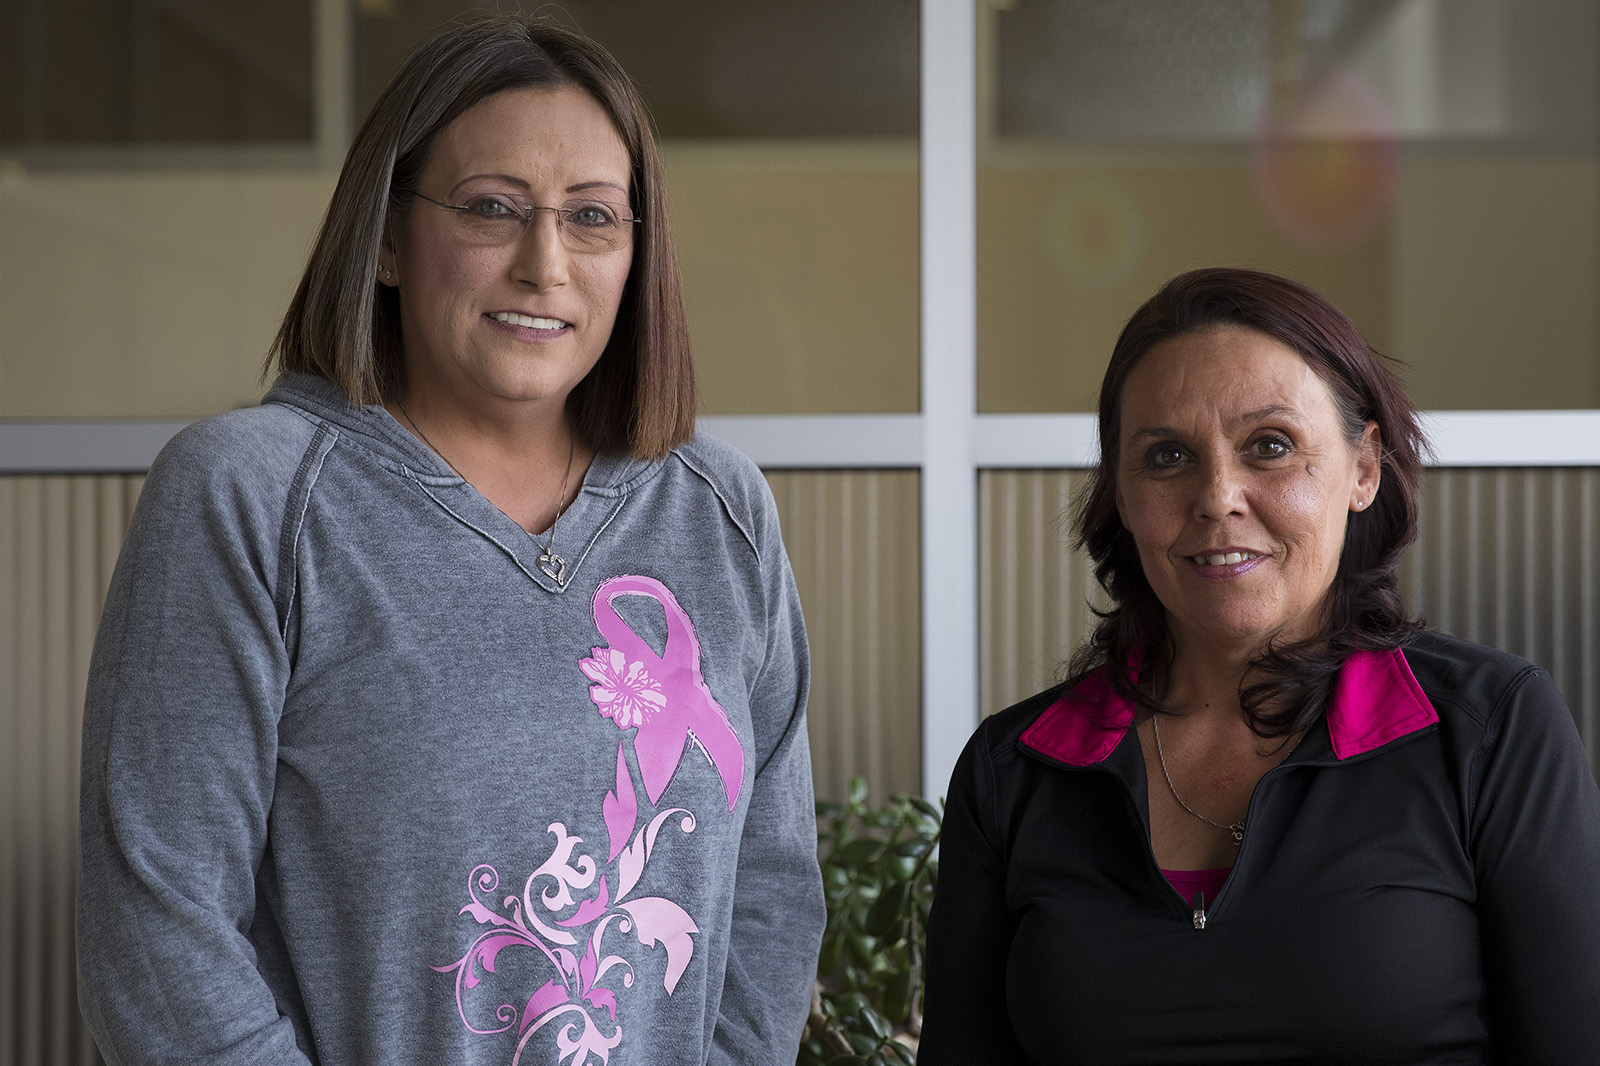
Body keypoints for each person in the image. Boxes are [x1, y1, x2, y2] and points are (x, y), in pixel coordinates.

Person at [76, 15, 824, 1066]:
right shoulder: (249, 496)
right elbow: (157, 937)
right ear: (385, 236)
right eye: (491, 209)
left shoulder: (719, 510)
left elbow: (775, 890)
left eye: (593, 218)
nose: (543, 264)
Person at [918, 267, 1600, 1064]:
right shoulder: (1015, 772)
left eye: (1270, 446)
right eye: (1167, 456)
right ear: (1123, 495)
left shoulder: (1490, 729)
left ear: (1364, 469)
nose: (1217, 497)